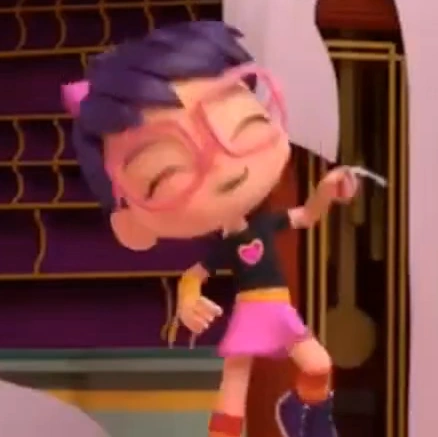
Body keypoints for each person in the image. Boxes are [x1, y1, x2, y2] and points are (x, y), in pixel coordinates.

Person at [62, 21, 360, 437]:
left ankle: (306, 414)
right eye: (167, 172)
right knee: (234, 385)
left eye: (248, 126)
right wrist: (188, 299)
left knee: (318, 365)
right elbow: (196, 273)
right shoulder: (227, 246)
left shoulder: (265, 224)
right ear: (131, 222)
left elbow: (308, 216)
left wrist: (328, 189)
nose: (224, 168)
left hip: (280, 309)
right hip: (251, 310)